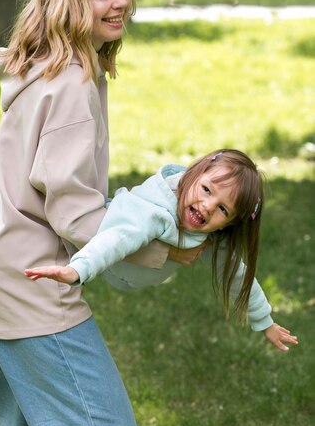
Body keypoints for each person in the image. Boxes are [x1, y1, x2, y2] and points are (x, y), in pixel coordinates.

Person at [0, 0, 177, 426]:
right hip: (30, 279)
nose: (119, 2)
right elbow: (72, 212)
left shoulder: (49, 66)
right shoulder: (71, 82)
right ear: (69, 2)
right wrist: (162, 246)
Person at [25, 149, 299, 353]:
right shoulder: (152, 214)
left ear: (230, 223)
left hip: (126, 273)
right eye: (206, 190)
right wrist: (76, 270)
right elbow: (114, 240)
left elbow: (239, 274)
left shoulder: (211, 234)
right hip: (103, 248)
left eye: (223, 209)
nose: (207, 206)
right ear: (193, 173)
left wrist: (265, 322)